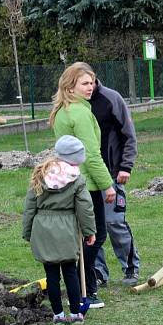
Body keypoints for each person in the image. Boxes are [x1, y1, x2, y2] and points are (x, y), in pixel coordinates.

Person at [51, 62, 115, 307]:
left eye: (92, 82)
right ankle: (84, 287)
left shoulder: (63, 111)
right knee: (94, 235)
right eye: (85, 83)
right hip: (86, 184)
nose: (91, 87)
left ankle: (84, 285)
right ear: (70, 86)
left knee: (84, 236)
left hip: (69, 181)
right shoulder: (79, 113)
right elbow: (91, 154)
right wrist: (107, 185)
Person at [22, 135, 97, 324]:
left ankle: (57, 314)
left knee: (51, 274)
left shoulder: (41, 173)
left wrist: (28, 231)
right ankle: (75, 312)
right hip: (66, 228)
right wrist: (89, 231)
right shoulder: (76, 178)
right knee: (70, 271)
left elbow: (30, 205)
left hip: (43, 228)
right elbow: (85, 207)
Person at [89, 77, 141, 287]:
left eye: (89, 82)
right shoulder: (74, 103)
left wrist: (125, 166)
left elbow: (129, 135)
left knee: (113, 222)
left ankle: (130, 267)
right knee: (90, 227)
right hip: (85, 175)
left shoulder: (111, 98)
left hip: (111, 172)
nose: (87, 87)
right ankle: (99, 272)